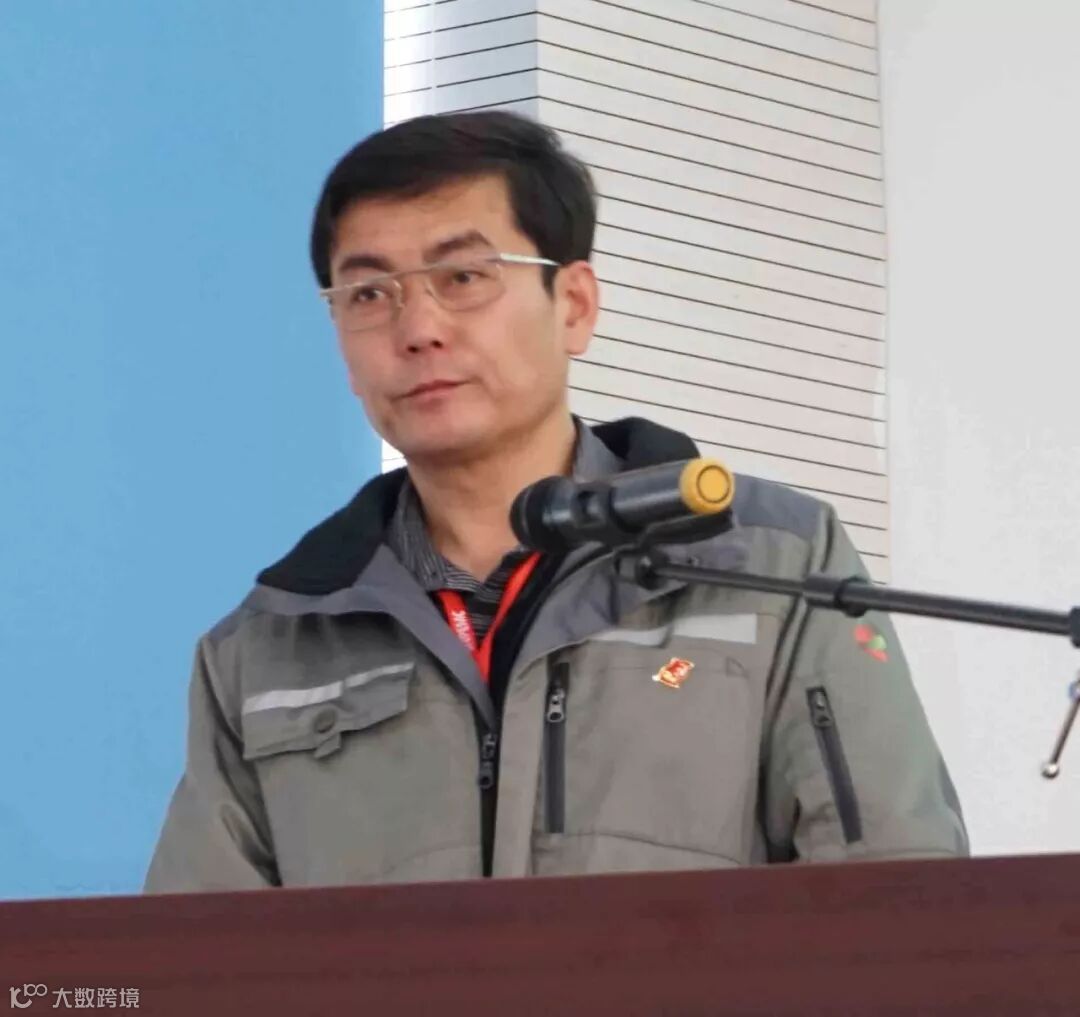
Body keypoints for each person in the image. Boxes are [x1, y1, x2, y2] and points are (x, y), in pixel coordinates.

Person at [144, 111, 967, 892]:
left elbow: (898, 899)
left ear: (574, 305)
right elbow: (199, 960)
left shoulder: (770, 563)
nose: (417, 327)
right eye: (368, 293)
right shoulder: (269, 645)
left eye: (463, 276)